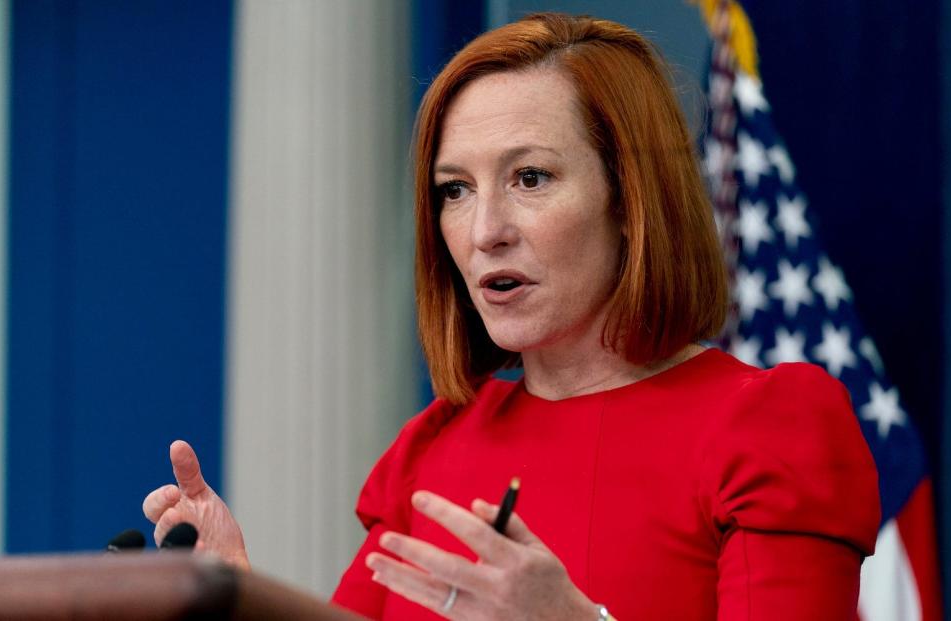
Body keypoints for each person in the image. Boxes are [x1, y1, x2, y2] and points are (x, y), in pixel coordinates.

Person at [142, 13, 880, 621]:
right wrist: (239, 597)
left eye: (530, 177)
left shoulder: (769, 427)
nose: (484, 228)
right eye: (454, 189)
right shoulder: (430, 450)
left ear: (631, 201)